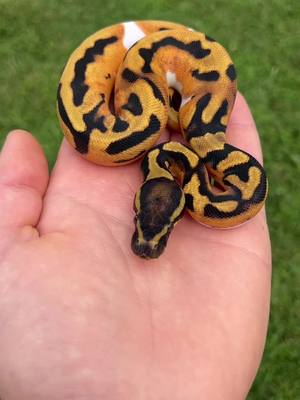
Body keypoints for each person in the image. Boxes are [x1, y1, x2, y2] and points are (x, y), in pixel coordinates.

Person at [0, 93, 271, 399]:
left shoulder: (171, 175)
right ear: (138, 202)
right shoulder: (173, 174)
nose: (146, 243)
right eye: (143, 222)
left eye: (165, 230)